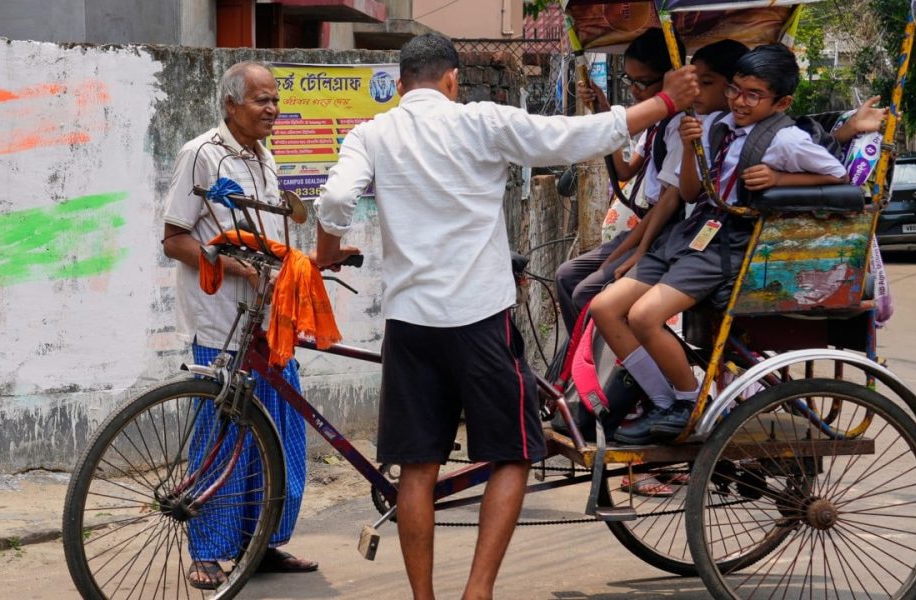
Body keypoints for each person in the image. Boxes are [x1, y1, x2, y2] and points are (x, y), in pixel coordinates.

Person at [314, 33, 698, 600]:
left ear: (399, 86)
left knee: (417, 470)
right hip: (478, 319)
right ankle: (478, 592)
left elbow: (335, 201)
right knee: (513, 454)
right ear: (452, 81)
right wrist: (666, 102)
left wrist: (326, 254)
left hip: (410, 323)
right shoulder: (480, 121)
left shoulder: (372, 132)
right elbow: (575, 137)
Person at [591, 43, 847, 446]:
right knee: (604, 307)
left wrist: (781, 181)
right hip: (693, 232)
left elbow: (838, 176)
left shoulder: (786, 139)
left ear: (781, 102)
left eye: (752, 95)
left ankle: (688, 401)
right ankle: (664, 402)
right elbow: (692, 191)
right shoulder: (716, 126)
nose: (739, 102)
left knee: (643, 317)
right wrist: (693, 149)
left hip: (727, 243)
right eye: (735, 90)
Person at [161, 61, 317, 589]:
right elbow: (175, 239)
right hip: (223, 323)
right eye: (261, 101)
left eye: (275, 100)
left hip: (269, 322)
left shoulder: (264, 157)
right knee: (222, 439)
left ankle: (263, 544)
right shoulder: (201, 154)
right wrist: (234, 266)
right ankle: (206, 552)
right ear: (231, 104)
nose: (272, 109)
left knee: (280, 435)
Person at [555, 29, 686, 333]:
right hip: (644, 227)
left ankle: (613, 366)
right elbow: (626, 170)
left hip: (662, 232)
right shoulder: (656, 121)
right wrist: (603, 113)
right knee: (565, 275)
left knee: (587, 290)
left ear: (670, 77)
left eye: (643, 82)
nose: (636, 91)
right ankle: (578, 365)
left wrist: (634, 251)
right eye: (630, 81)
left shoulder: (682, 125)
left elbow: (668, 201)